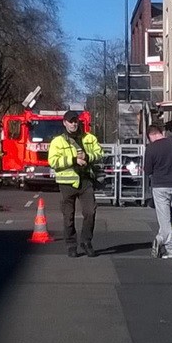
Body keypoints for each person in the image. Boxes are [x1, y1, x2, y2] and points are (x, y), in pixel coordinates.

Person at [48, 110, 104, 258]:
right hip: (67, 183)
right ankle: (71, 244)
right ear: (64, 122)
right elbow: (53, 162)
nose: (73, 123)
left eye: (75, 121)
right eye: (70, 121)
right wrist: (74, 160)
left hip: (85, 180)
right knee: (68, 216)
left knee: (90, 212)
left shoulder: (89, 138)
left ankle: (86, 241)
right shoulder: (57, 141)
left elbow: (100, 154)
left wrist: (88, 156)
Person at [143, 125, 172, 260]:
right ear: (161, 132)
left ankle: (170, 249)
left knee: (164, 218)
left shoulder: (151, 148)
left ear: (150, 136)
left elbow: (147, 170)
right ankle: (160, 239)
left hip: (160, 186)